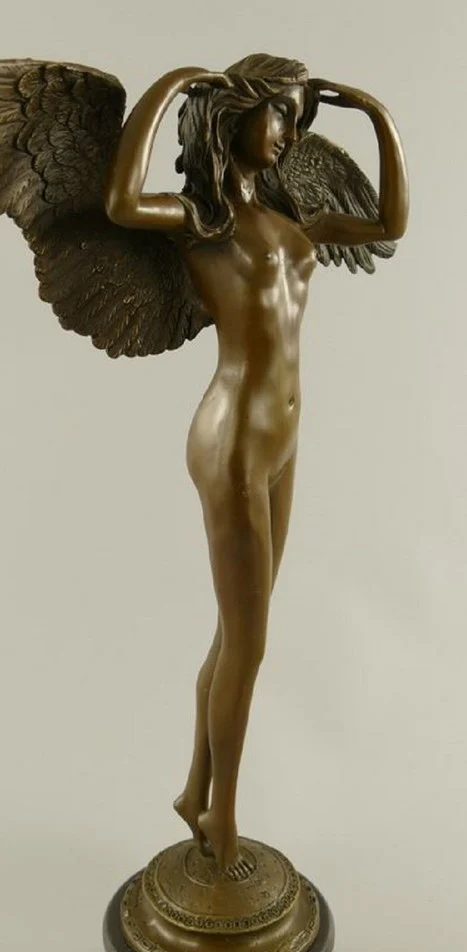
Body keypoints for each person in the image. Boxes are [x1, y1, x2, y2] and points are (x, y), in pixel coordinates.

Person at [105, 55, 409, 869]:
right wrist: (174, 83)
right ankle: (222, 819)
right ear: (235, 112)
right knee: (249, 645)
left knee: (235, 632)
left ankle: (194, 790)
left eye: (298, 118)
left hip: (283, 440)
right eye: (279, 113)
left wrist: (373, 113)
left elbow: (388, 224)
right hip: (234, 439)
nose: (289, 132)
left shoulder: (289, 214)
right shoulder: (198, 219)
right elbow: (120, 203)